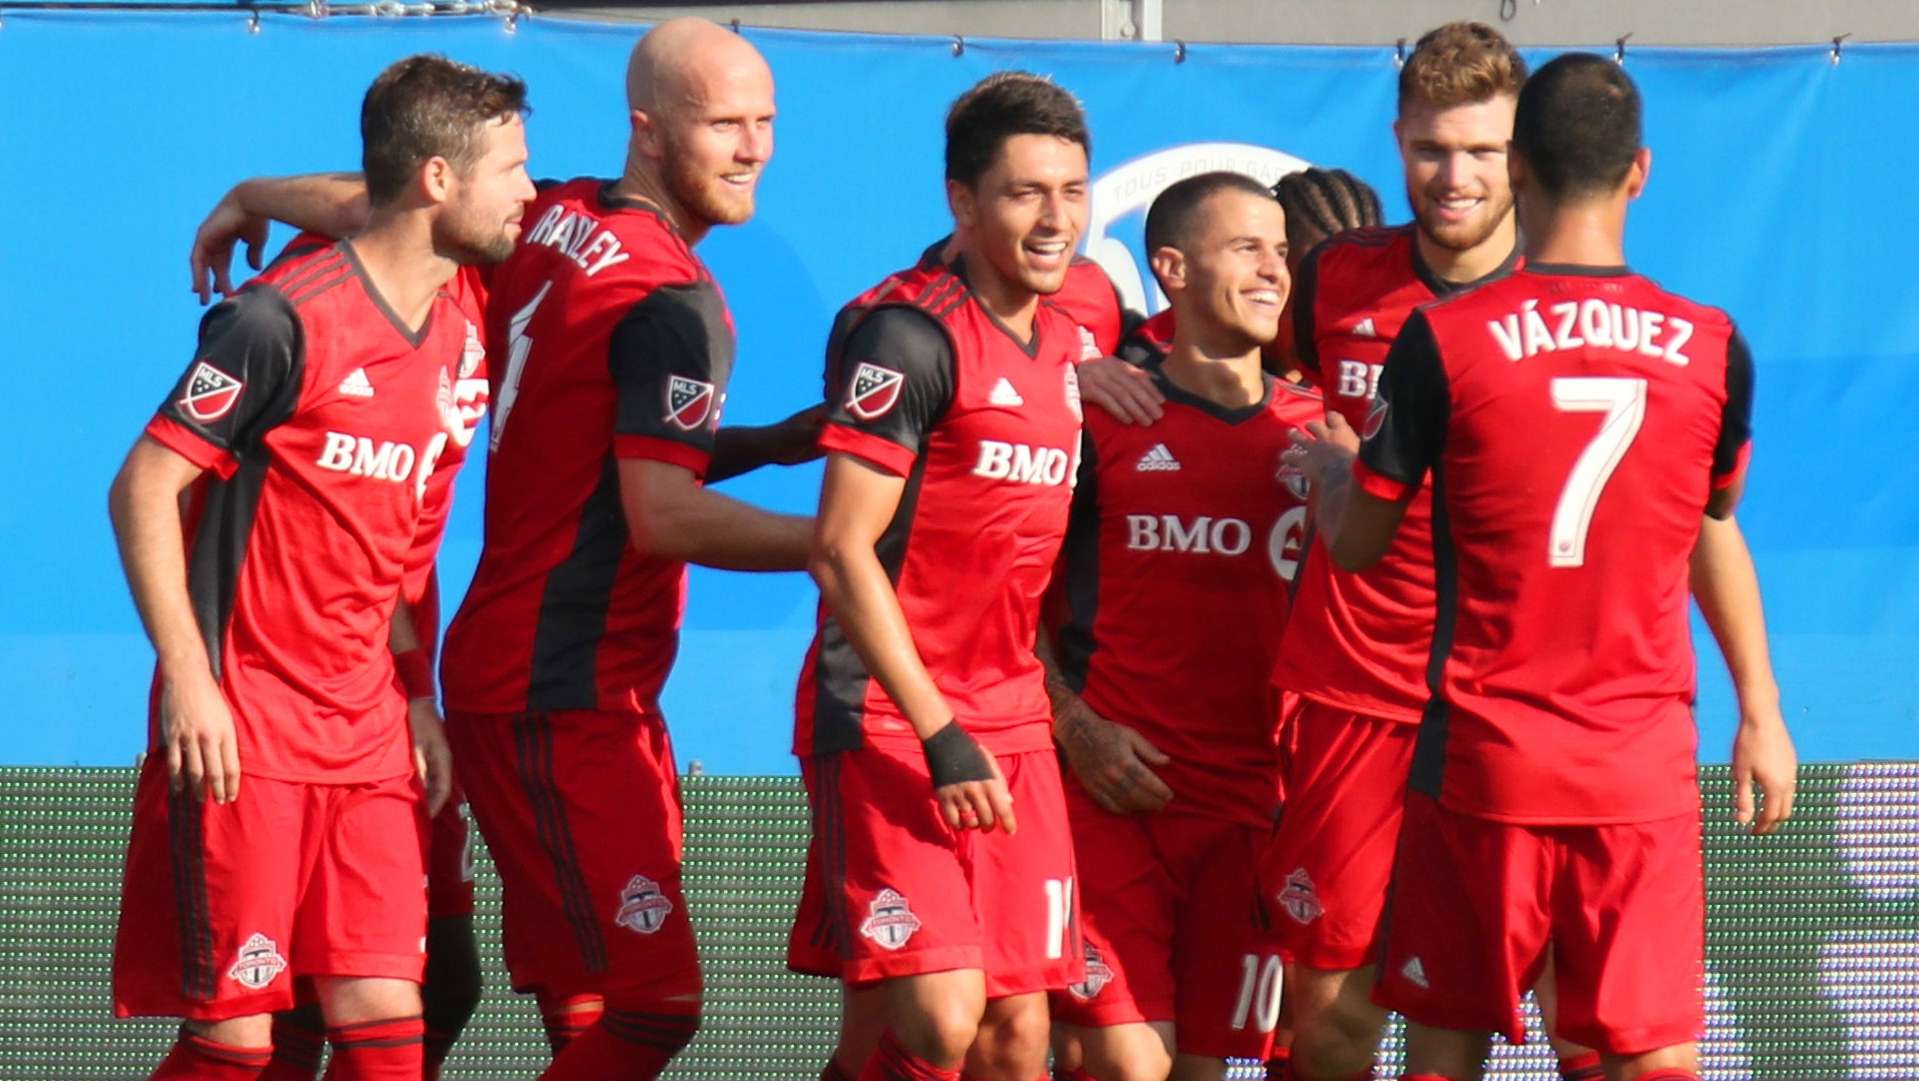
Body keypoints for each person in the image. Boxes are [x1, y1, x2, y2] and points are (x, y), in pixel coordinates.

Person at [1288, 52, 1797, 1081]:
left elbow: (1355, 541)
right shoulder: (1707, 344)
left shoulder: (1449, 338)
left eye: (1477, 150)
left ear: (1516, 166)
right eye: (1429, 148)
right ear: (1637, 172)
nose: (1451, 173)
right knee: (1632, 1054)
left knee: (1460, 1043)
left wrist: (1335, 470)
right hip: (1552, 743)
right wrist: (1760, 708)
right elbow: (1710, 520)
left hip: (1481, 747)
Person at [107, 54, 532, 1081]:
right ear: (438, 181)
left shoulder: (466, 318)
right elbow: (142, 486)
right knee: (238, 1044)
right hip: (245, 727)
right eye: (513, 169)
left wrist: (414, 698)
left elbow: (389, 549)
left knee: (393, 1022)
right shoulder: (280, 319)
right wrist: (192, 680)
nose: (530, 191)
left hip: (370, 733)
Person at [434, 19, 815, 1081]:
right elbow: (663, 516)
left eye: (765, 122)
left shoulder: (555, 215)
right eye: (724, 123)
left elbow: (617, 455)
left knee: (587, 1004)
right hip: (562, 690)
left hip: (528, 675)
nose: (753, 148)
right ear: (648, 131)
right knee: (657, 1004)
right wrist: (841, 548)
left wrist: (775, 444)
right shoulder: (670, 297)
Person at [786, 71, 1092, 1081]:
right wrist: (939, 732)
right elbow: (841, 548)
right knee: (939, 1015)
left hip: (1014, 719)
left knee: (1016, 1038)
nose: (1055, 219)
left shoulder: (1072, 336)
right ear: (959, 202)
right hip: (891, 714)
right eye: (1023, 193)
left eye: (1072, 191)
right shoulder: (906, 333)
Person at [1039, 171, 1319, 1081]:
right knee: (1125, 1061)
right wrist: (1074, 728)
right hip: (1109, 795)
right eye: (1245, 248)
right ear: (1171, 268)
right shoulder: (1100, 414)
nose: (1273, 270)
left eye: (1279, 251)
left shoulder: (1320, 434)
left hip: (1252, 810)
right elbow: (1007, 600)